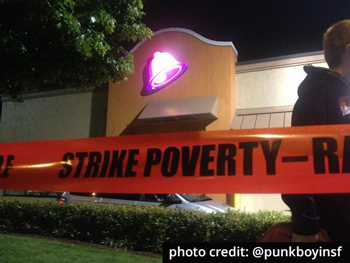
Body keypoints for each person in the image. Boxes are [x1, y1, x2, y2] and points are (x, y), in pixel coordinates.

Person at [282, 20, 350, 242]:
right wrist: (307, 226)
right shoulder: (318, 93)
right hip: (332, 227)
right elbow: (296, 161)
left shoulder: (341, 94)